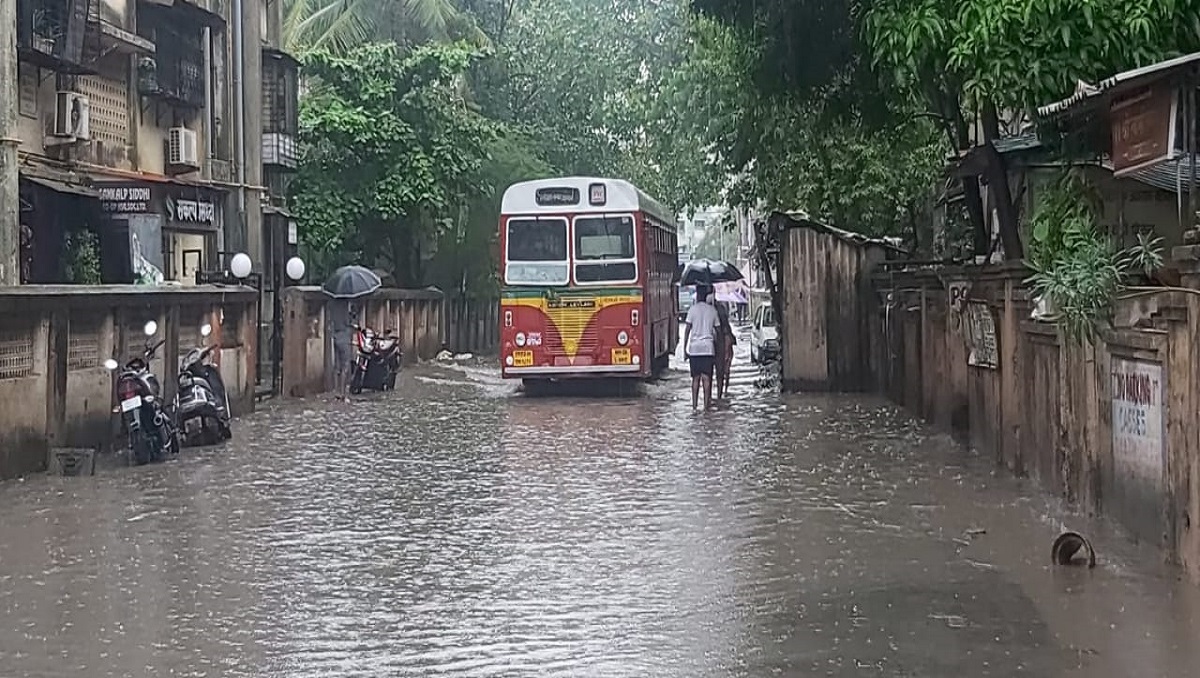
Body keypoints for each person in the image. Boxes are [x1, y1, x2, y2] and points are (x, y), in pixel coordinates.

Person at [683, 284, 719, 411]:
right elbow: (718, 331)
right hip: (708, 348)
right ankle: (706, 406)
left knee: (695, 379)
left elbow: (687, 330)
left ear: (697, 295)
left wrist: (684, 349)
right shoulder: (712, 310)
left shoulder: (692, 310)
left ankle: (694, 406)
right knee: (706, 378)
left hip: (694, 349)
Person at [329, 300, 358, 401]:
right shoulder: (347, 305)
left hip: (335, 336)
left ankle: (336, 392)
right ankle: (343, 393)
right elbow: (348, 322)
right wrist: (353, 321)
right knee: (345, 366)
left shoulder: (333, 304)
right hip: (344, 337)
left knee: (337, 366)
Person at [713, 301, 736, 399]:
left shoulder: (720, 332)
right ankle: (722, 393)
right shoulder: (727, 332)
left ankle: (719, 394)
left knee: (719, 373)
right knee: (723, 373)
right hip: (723, 348)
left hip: (718, 348)